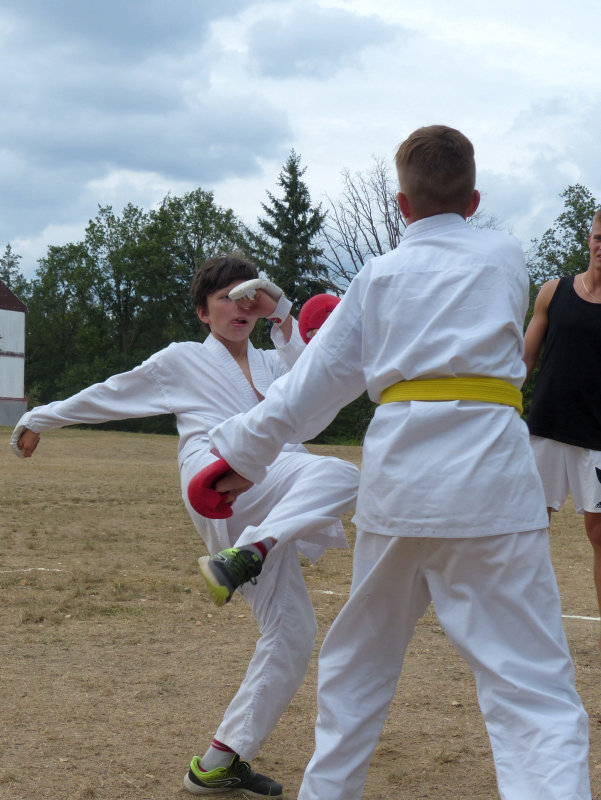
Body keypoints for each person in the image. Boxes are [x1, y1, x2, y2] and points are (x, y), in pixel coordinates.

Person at [194, 127, 591, 800]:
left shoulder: (377, 277)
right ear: (474, 201)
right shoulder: (506, 257)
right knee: (530, 687)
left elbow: (311, 386)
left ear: (401, 206)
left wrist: (237, 455)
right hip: (493, 484)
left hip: (400, 487)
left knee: (357, 669)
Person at [9, 253, 360, 798]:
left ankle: (218, 762)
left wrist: (282, 313)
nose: (239, 307)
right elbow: (112, 393)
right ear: (202, 312)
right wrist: (38, 416)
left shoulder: (274, 363)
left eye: (247, 297)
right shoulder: (181, 360)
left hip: (272, 490)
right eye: (225, 298)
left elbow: (318, 383)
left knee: (292, 632)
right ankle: (249, 550)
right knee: (340, 472)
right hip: (215, 476)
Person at [524, 209, 601, 650]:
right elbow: (524, 360)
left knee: (599, 536)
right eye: (598, 237)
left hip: (598, 439)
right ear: (589, 238)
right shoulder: (553, 291)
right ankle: (520, 626)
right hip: (546, 429)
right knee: (529, 529)